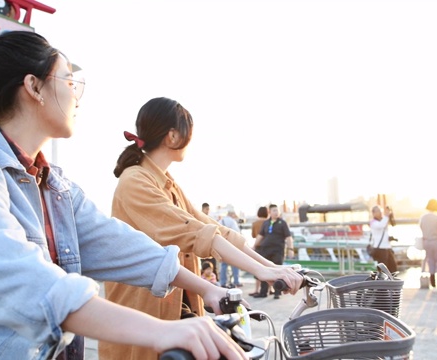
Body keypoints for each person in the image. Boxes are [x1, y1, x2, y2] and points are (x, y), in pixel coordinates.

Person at [0, 15, 247, 360]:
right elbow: (20, 279)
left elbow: (118, 243)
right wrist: (160, 332)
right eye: (69, 81)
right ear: (34, 87)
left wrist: (207, 288)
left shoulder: (52, 184)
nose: (77, 97)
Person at [103, 97, 303, 360]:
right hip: (146, 312)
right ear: (173, 136)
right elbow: (195, 232)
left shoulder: (169, 184)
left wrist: (271, 268)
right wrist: (261, 270)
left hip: (177, 309)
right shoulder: (135, 181)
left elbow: (214, 228)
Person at [252, 204, 295, 299]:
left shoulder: (282, 223)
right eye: (274, 210)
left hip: (278, 250)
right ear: (270, 212)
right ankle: (263, 292)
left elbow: (288, 237)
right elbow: (260, 235)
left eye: (277, 210)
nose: (276, 212)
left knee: (278, 271)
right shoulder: (266, 223)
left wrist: (290, 249)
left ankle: (277, 292)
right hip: (265, 250)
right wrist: (254, 246)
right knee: (264, 270)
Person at [419, 198, 437, 293]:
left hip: (426, 242)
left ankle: (433, 284)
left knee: (430, 262)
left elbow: (421, 228)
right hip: (436, 241)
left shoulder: (423, 217)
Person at [368, 205, 398, 273]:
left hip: (387, 248)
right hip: (380, 249)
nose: (380, 212)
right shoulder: (373, 222)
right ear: (373, 213)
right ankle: (383, 283)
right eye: (378, 211)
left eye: (380, 211)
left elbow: (388, 225)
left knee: (393, 268)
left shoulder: (383, 220)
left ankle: (392, 282)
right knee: (383, 270)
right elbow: (381, 225)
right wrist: (386, 216)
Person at [218, 210, 244, 288]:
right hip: (231, 245)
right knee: (235, 264)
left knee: (223, 265)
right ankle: (236, 281)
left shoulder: (220, 221)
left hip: (222, 244)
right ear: (232, 214)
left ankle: (223, 282)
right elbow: (236, 233)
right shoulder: (232, 221)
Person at [250, 206, 269, 296]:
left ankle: (256, 289)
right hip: (268, 246)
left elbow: (253, 235)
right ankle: (271, 289)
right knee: (269, 268)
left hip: (258, 247)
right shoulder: (269, 222)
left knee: (257, 268)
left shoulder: (255, 223)